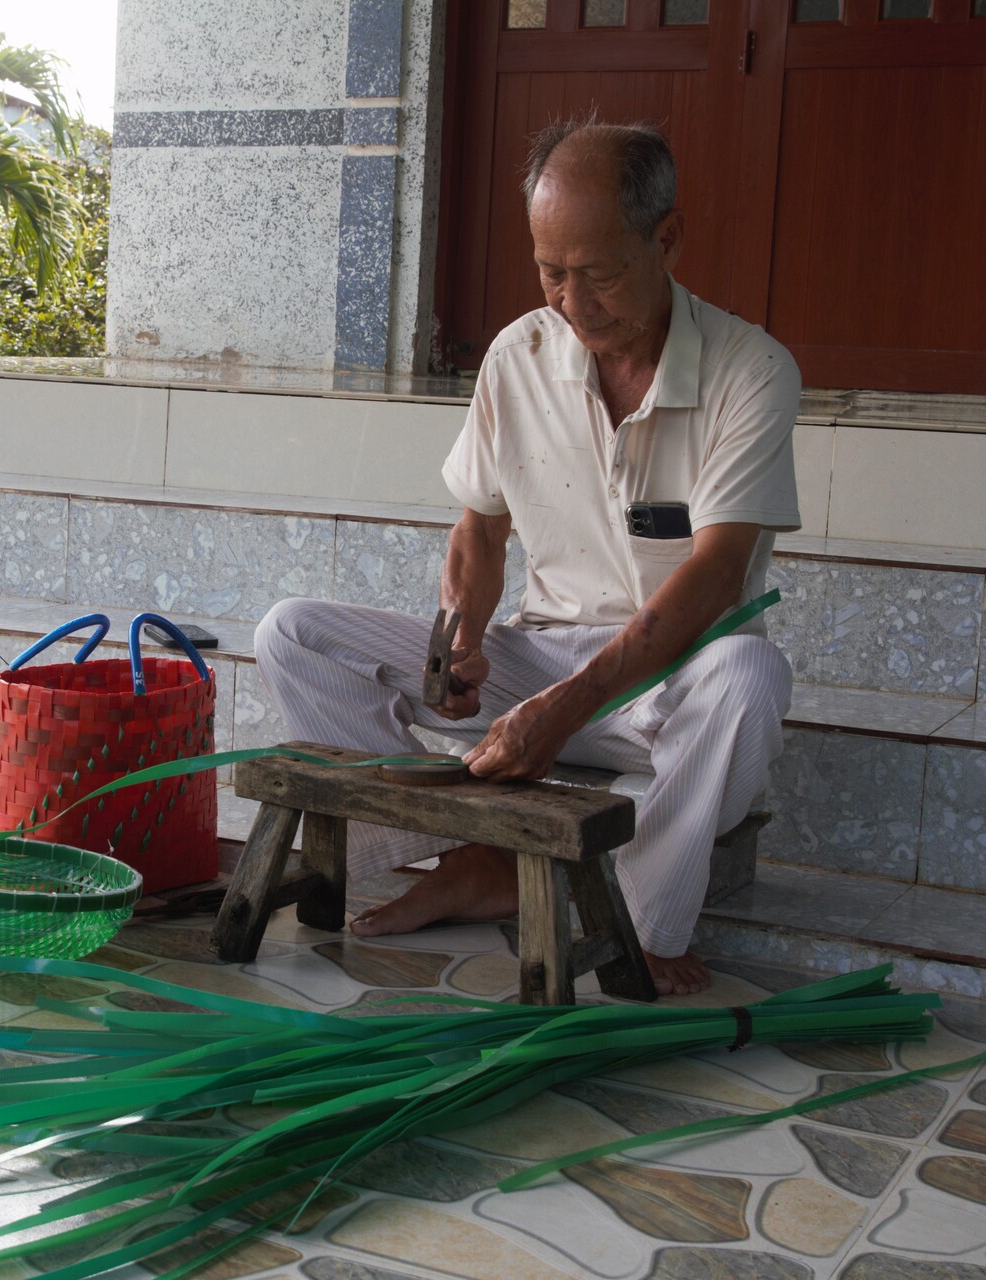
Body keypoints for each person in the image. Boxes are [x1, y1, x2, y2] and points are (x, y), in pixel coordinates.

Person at [254, 119, 799, 996]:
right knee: (292, 635)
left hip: (669, 689)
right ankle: (464, 855)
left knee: (749, 677)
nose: (574, 304)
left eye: (602, 274)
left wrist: (564, 708)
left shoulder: (751, 370)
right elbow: (480, 530)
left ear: (667, 239)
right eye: (552, 273)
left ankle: (641, 919)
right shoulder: (519, 354)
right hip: (538, 660)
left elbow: (716, 577)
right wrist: (458, 641)